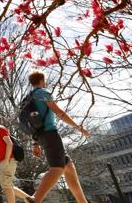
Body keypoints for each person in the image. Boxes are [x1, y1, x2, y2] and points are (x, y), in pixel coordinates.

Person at [26, 70, 90, 203]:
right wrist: (78, 126)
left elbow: (33, 121)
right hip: (50, 134)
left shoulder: (30, 97)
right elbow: (59, 112)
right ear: (42, 80)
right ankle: (35, 199)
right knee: (57, 168)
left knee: (69, 168)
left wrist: (35, 143)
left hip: (41, 136)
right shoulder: (43, 93)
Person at [0, 112, 34, 203]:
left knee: (7, 187)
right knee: (8, 186)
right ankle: (31, 200)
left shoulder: (1, 129)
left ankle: (31, 200)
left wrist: (6, 160)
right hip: (3, 162)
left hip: (7, 161)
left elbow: (9, 143)